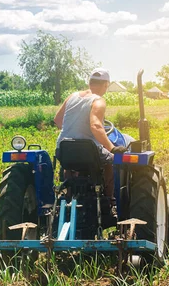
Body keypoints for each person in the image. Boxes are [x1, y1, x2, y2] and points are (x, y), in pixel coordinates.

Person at [54, 68, 128, 198]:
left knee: (70, 164)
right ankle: (109, 200)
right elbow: (96, 125)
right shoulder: (98, 100)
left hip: (63, 148)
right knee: (111, 161)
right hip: (88, 150)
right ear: (106, 85)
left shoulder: (72, 96)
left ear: (89, 83)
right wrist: (112, 148)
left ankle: (70, 193)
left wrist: (74, 131)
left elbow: (58, 120)